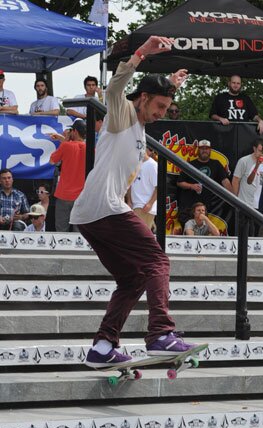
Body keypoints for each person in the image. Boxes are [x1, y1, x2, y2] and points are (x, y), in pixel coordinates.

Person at [69, 35, 194, 368]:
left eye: (166, 109)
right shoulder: (122, 114)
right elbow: (115, 88)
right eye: (159, 107)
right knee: (157, 262)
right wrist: (141, 54)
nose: (161, 114)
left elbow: (154, 96)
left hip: (92, 214)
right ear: (143, 98)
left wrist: (171, 84)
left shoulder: (139, 127)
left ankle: (103, 346)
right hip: (104, 208)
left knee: (133, 278)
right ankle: (161, 334)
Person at [176, 139, 232, 229]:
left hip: (204, 208)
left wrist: (233, 197)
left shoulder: (216, 164)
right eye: (202, 148)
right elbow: (179, 182)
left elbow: (225, 181)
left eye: (206, 148)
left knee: (201, 231)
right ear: (198, 150)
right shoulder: (190, 164)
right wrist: (191, 186)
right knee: (189, 231)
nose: (204, 150)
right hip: (188, 207)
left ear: (210, 150)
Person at [50, 119, 86, 232]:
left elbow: (52, 161)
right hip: (81, 196)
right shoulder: (91, 148)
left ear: (75, 131)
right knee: (79, 233)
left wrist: (65, 140)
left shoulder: (66, 145)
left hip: (64, 195)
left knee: (61, 231)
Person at [126, 147, 158, 231]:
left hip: (144, 206)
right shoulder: (133, 164)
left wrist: (150, 204)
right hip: (134, 206)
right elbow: (130, 184)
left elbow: (158, 187)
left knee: (137, 234)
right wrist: (129, 201)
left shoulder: (152, 165)